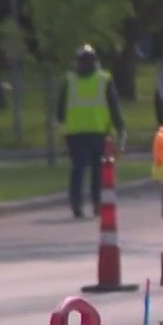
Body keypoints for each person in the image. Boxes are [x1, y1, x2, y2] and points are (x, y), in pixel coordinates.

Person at [56, 44, 126, 219]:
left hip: (75, 133)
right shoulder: (104, 79)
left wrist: (63, 123)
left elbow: (60, 110)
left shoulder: (69, 81)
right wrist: (120, 126)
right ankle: (97, 203)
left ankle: (76, 203)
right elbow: (113, 105)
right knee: (97, 170)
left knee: (78, 169)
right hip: (98, 131)